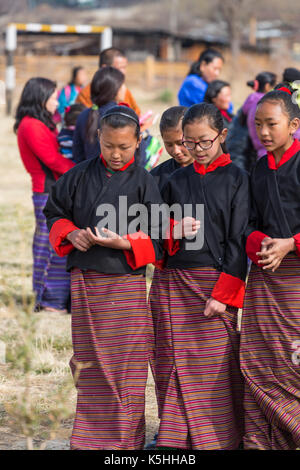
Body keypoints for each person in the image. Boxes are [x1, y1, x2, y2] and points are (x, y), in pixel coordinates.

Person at [43, 105, 164, 450]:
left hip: (125, 285)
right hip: (86, 284)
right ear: (98, 137)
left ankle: (126, 441)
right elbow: (54, 211)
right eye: (108, 145)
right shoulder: (77, 175)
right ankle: (90, 438)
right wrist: (70, 234)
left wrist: (123, 242)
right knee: (90, 362)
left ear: (138, 141)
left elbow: (158, 241)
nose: (115, 153)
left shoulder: (145, 183)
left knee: (127, 364)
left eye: (124, 147)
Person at [150, 103, 249, 449]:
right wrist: (171, 229)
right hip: (171, 286)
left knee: (214, 368)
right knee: (168, 362)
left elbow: (238, 240)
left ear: (222, 135)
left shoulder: (238, 179)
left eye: (203, 142)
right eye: (189, 143)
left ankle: (217, 439)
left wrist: (224, 294)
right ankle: (173, 438)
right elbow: (151, 229)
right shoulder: (173, 180)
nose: (194, 150)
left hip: (213, 290)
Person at [239, 85, 300, 450]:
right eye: (258, 124)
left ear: (294, 125)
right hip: (266, 274)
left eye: (271, 124)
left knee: (293, 359)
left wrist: (291, 244)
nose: (263, 132)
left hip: (295, 278)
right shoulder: (259, 168)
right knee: (261, 358)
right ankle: (262, 440)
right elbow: (247, 223)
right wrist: (262, 243)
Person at [14, 77, 75, 313]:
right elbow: (52, 160)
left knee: (49, 244)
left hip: (51, 189)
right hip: (46, 190)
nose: (56, 101)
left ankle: (49, 298)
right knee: (53, 246)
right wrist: (82, 169)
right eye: (52, 96)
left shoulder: (40, 122)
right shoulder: (31, 125)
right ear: (40, 98)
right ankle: (50, 300)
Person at [72, 66, 126, 163]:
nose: (125, 88)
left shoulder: (83, 115)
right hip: (118, 176)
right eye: (122, 85)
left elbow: (78, 154)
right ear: (115, 89)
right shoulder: (122, 115)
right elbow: (136, 157)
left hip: (88, 175)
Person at [76, 47, 140, 116]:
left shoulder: (123, 91)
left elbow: (137, 114)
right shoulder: (86, 94)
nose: (124, 72)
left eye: (124, 68)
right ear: (105, 68)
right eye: (120, 68)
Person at [150, 106, 193, 192]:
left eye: (180, 143)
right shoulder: (156, 178)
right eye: (169, 144)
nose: (176, 151)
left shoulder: (218, 174)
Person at [178, 48, 233, 113]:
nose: (217, 73)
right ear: (203, 66)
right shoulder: (193, 82)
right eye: (215, 68)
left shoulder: (205, 83)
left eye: (219, 70)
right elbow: (220, 106)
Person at [242, 71, 277, 159]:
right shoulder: (266, 104)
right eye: (274, 86)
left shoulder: (251, 101)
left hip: (258, 150)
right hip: (268, 151)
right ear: (267, 86)